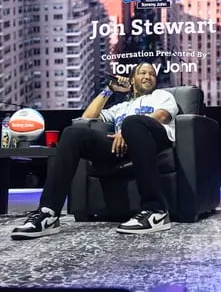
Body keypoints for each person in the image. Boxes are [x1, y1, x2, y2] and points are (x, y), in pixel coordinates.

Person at [11, 61, 178, 239]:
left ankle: (155, 210)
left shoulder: (162, 95)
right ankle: (48, 213)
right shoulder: (121, 108)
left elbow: (161, 116)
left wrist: (128, 130)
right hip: (121, 148)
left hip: (154, 142)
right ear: (131, 80)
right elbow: (87, 117)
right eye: (142, 73)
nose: (148, 77)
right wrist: (109, 90)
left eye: (152, 74)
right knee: (73, 133)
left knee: (133, 122)